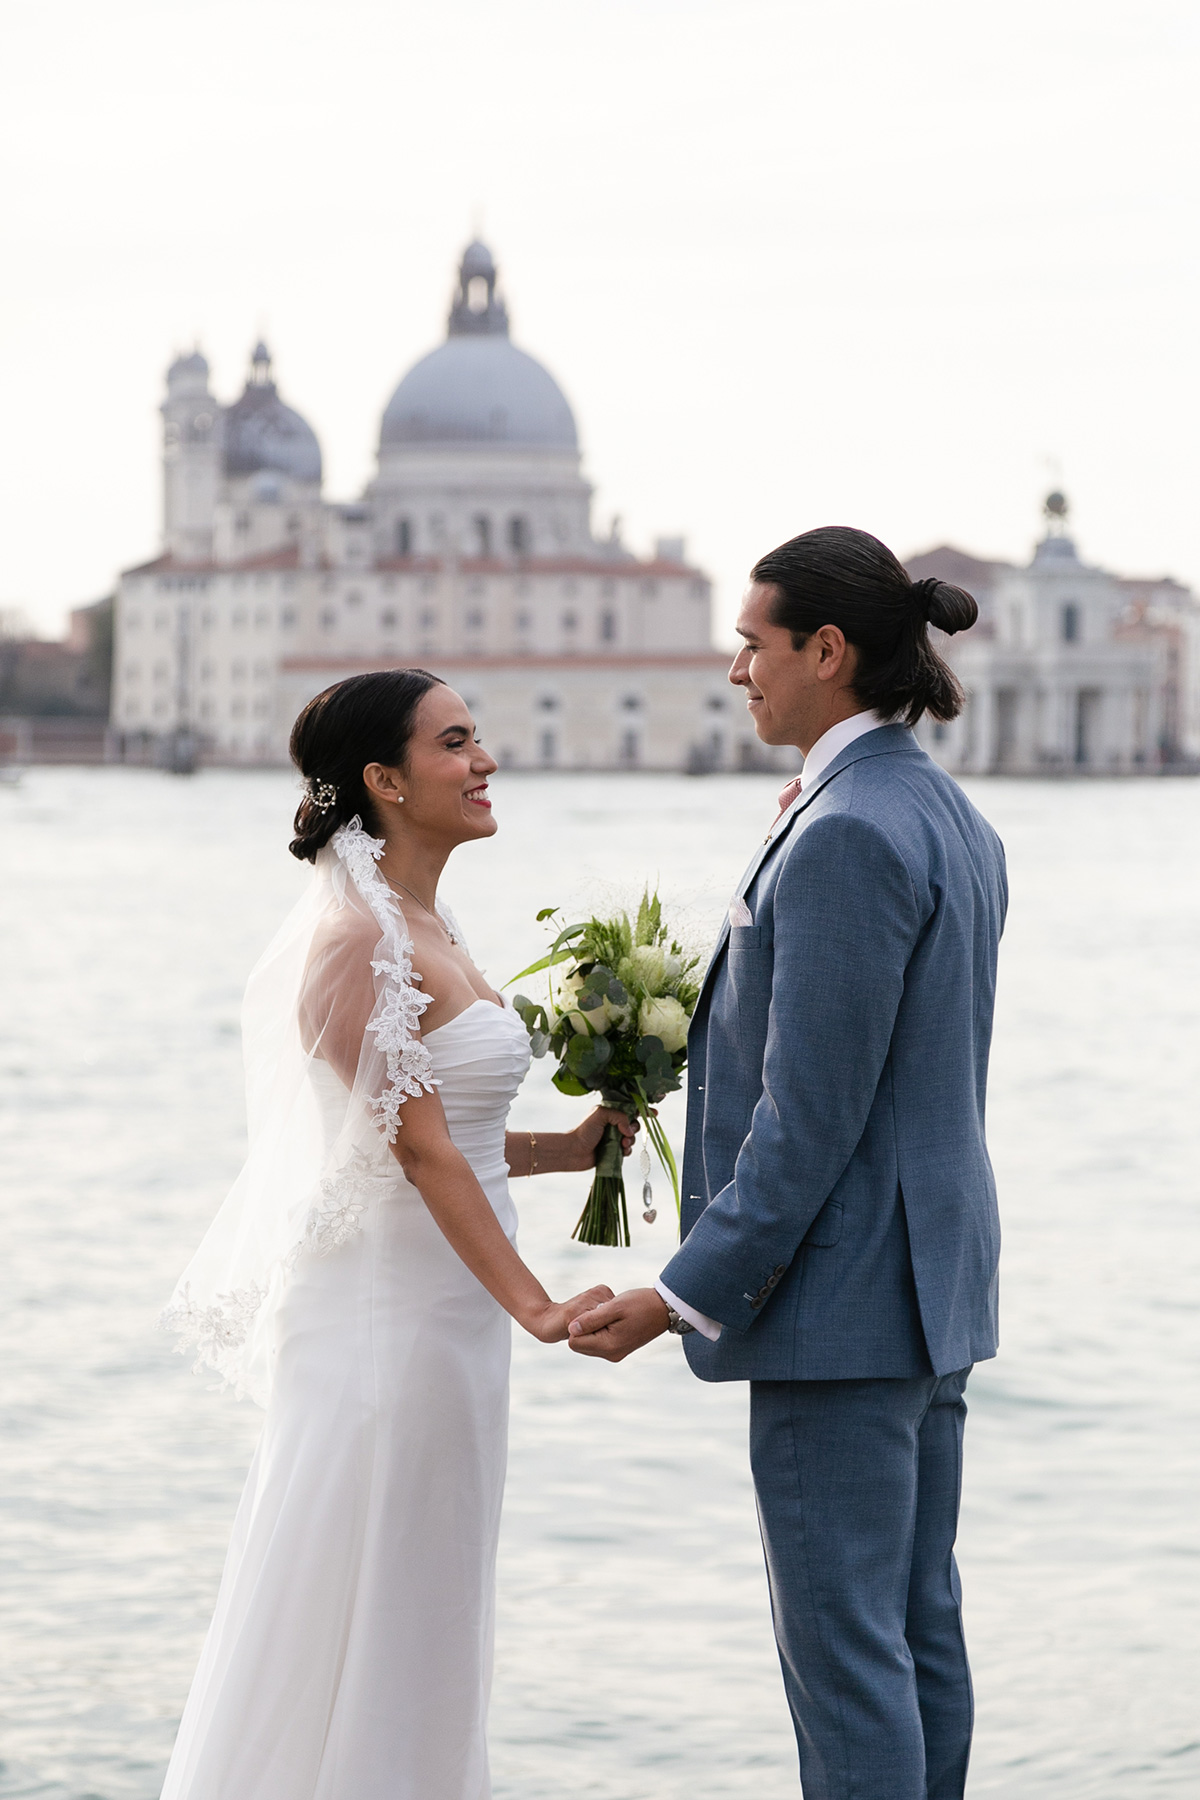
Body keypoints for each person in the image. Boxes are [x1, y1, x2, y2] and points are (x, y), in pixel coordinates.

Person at [569, 526, 1008, 1800]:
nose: (735, 672)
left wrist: (675, 1294)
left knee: (846, 1654)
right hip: (930, 1293)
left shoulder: (847, 833)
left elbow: (805, 1122)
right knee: (916, 1630)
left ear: (827, 650)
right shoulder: (942, 813)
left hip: (844, 1307)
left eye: (752, 646)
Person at [160, 668, 632, 1800]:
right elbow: (415, 1154)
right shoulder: (350, 943)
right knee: (370, 1591)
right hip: (387, 1327)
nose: (486, 762)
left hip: (447, 1321)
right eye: (456, 743)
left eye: (479, 739)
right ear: (384, 780)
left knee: (431, 1593)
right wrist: (536, 1302)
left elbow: (439, 1132)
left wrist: (566, 1151)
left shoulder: (431, 926)